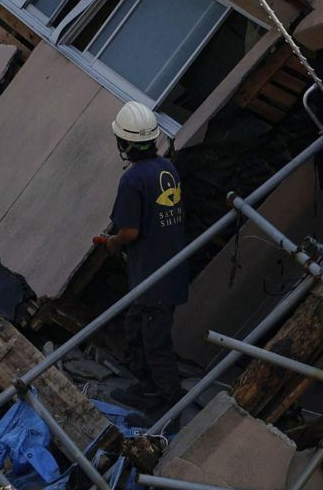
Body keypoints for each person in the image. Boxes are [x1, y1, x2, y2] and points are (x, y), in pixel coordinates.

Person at [103, 101, 188, 421]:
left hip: (155, 277)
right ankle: (146, 387)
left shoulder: (132, 180)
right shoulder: (168, 168)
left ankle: (168, 408)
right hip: (168, 269)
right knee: (135, 329)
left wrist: (112, 243)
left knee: (156, 343)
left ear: (123, 143)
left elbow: (129, 231)